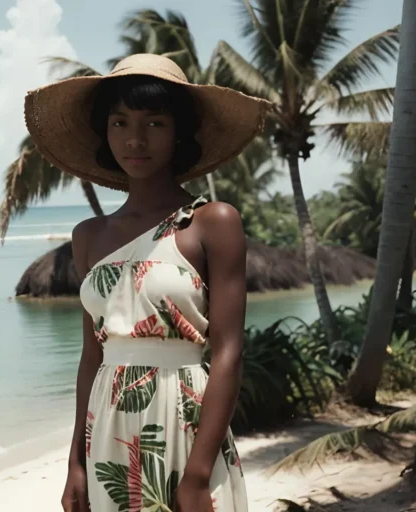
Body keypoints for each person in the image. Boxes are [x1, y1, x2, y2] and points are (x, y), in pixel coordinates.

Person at [23, 54, 271, 511]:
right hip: (109, 429)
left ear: (179, 132)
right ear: (105, 132)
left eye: (155, 122)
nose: (135, 139)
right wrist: (75, 463)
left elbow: (228, 353)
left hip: (184, 423)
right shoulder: (89, 237)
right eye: (120, 122)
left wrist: (197, 476)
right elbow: (91, 357)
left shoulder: (211, 222)